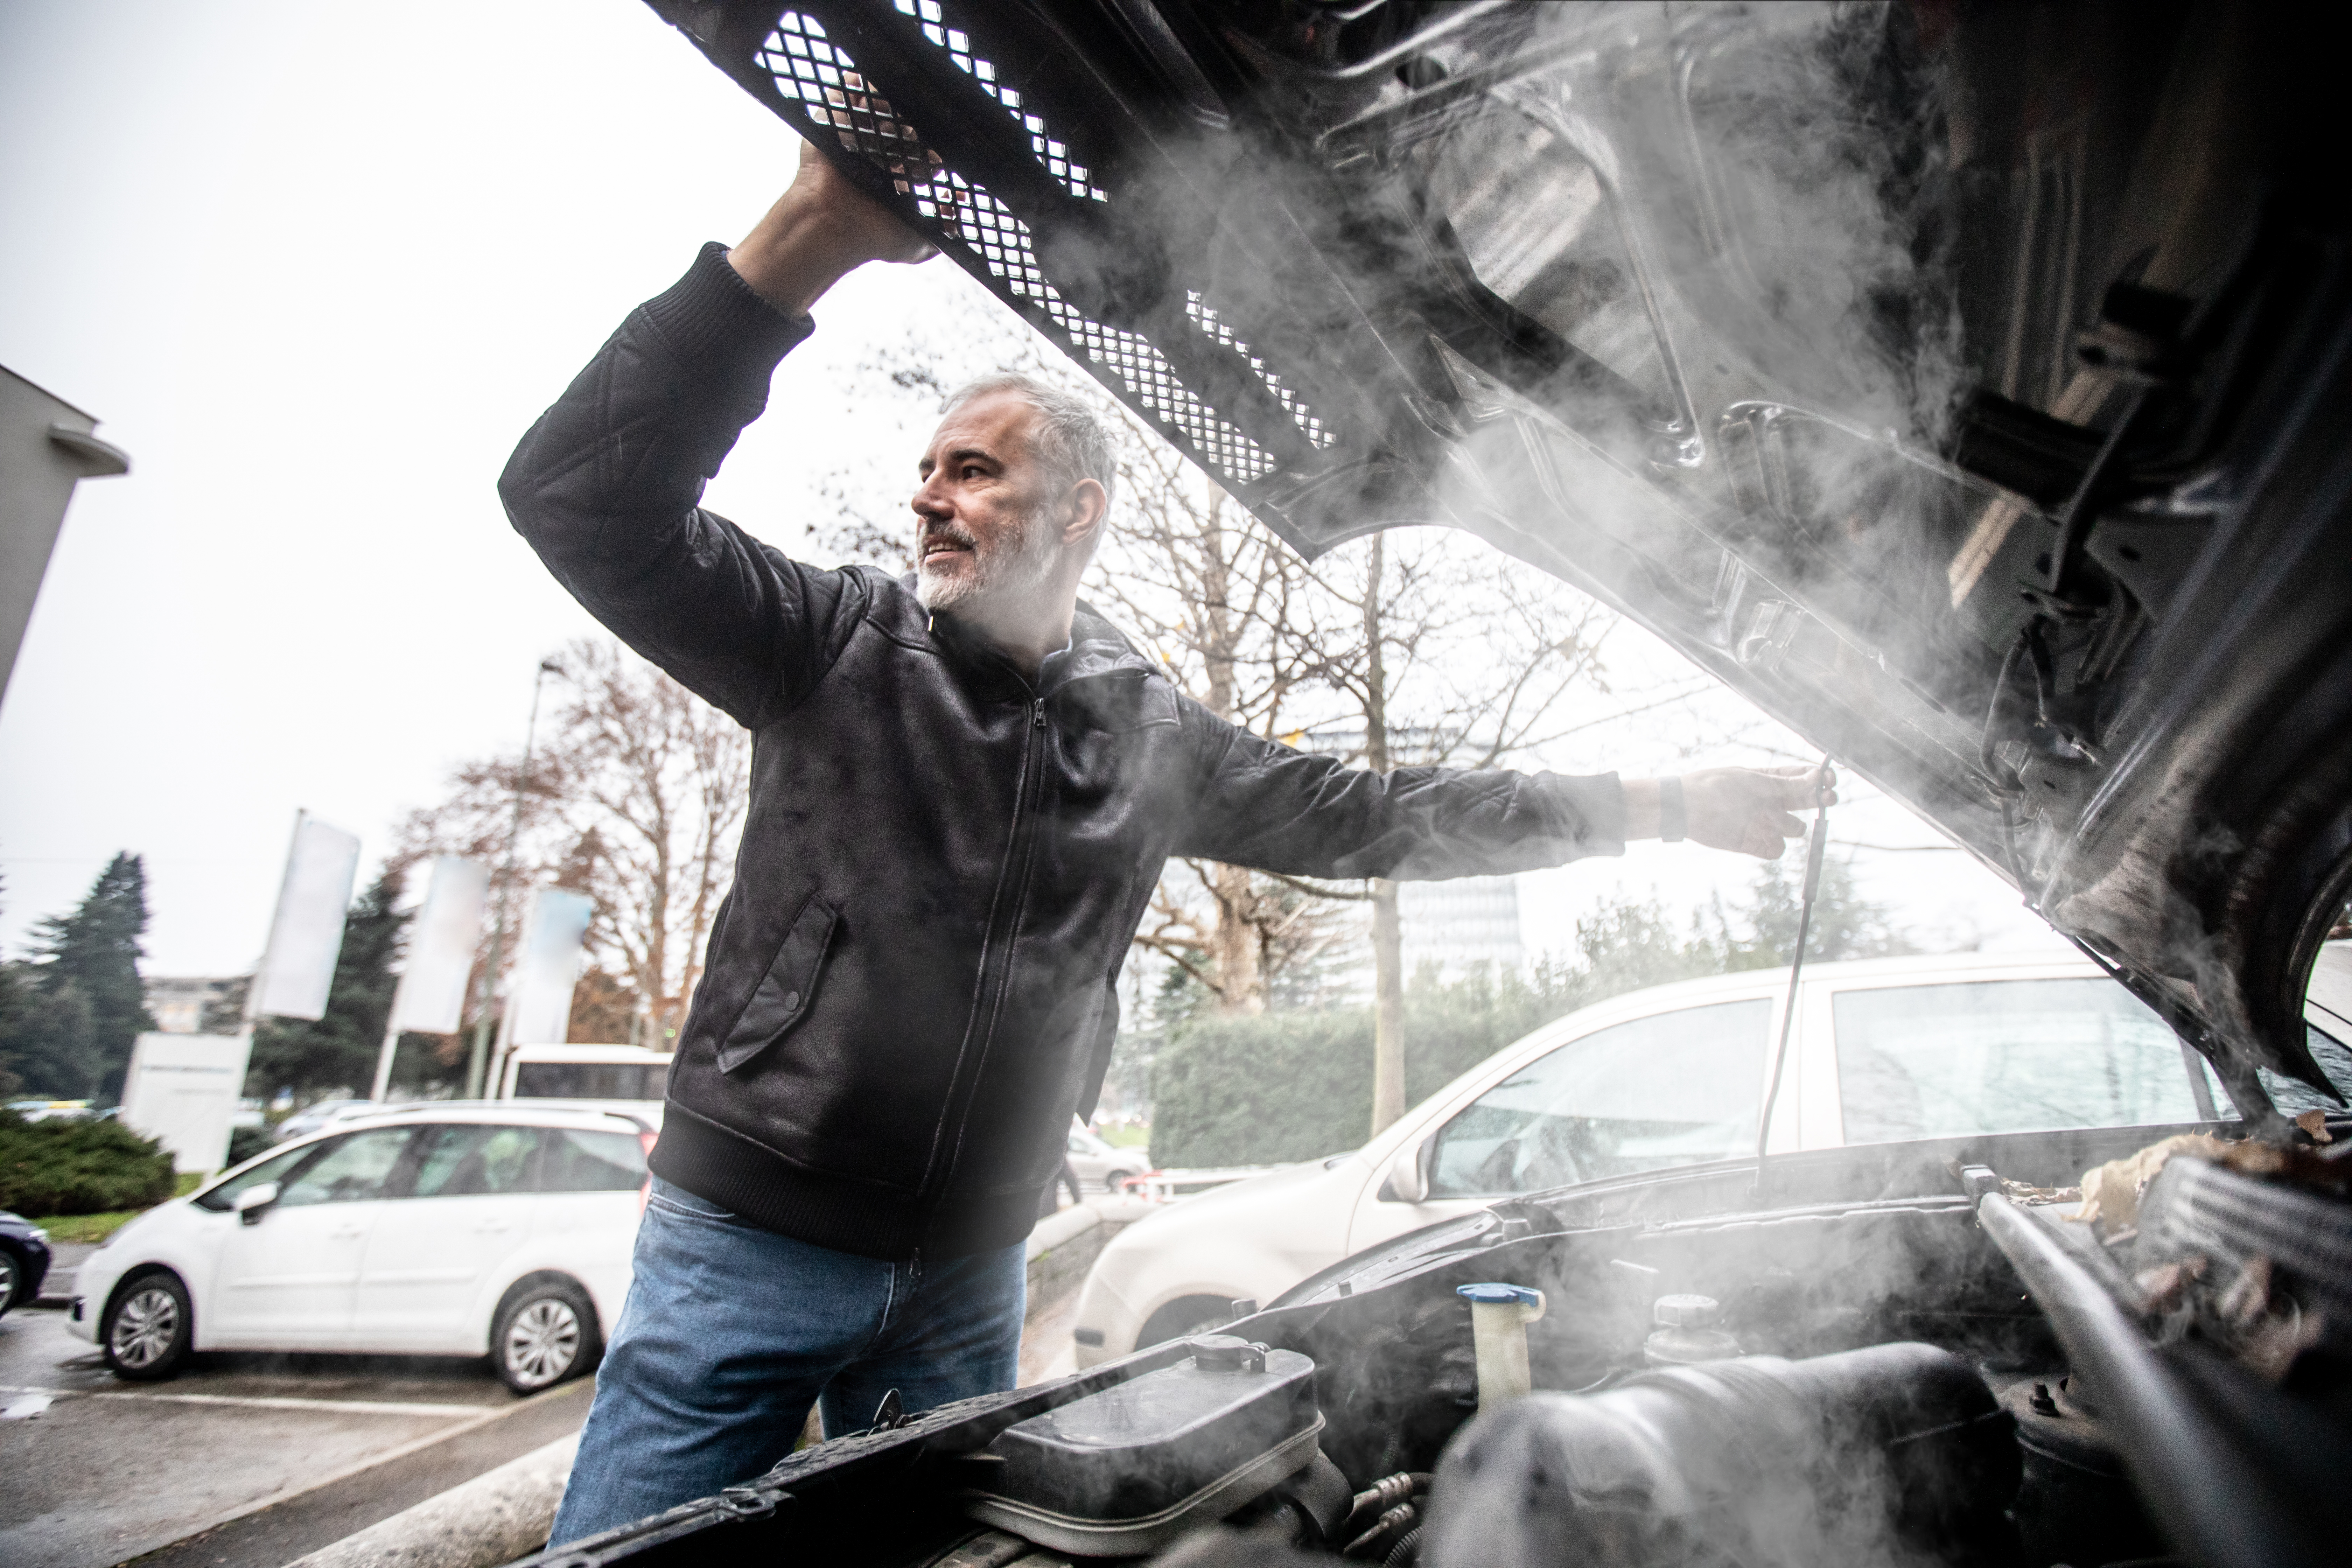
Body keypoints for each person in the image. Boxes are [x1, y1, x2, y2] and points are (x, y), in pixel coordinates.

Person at [507, 140, 1834, 1547]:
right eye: (926, 472)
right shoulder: (830, 640)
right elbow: (579, 497)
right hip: (750, 1249)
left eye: (974, 470)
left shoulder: (1148, 728)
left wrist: (1663, 806)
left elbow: (1382, 813)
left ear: (1075, 511)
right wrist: (808, 238)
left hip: (969, 1269)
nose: (928, 498)